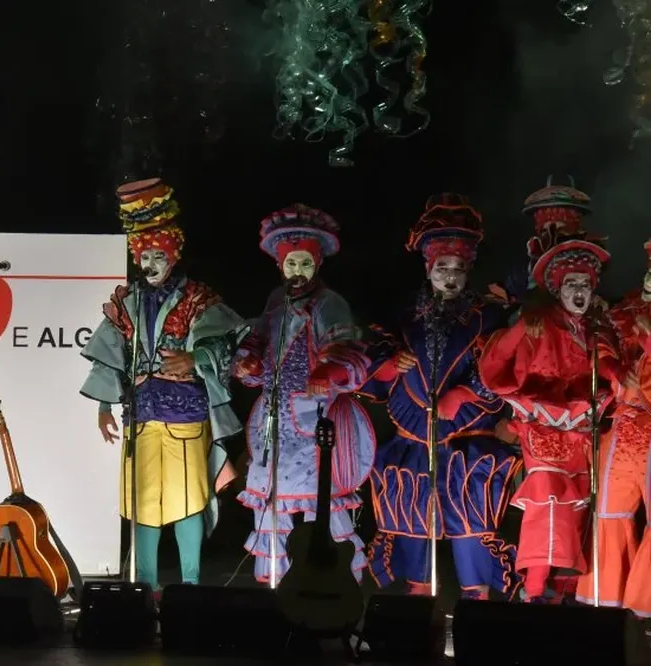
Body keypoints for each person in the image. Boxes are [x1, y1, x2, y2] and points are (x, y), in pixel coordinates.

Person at [79, 178, 247, 592]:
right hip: (141, 416)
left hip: (186, 415)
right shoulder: (128, 301)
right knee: (142, 504)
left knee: (189, 500)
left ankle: (189, 582)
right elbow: (110, 353)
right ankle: (146, 585)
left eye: (158, 255)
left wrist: (195, 358)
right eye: (145, 255)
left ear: (173, 256)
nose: (151, 263)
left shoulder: (196, 298)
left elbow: (223, 338)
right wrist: (104, 406)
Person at [361, 194, 522, 600]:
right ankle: (418, 597)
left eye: (458, 269)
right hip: (414, 436)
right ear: (428, 267)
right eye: (442, 268)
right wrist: (387, 362)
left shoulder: (487, 316)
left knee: (471, 521)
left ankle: (476, 597)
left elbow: (504, 364)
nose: (450, 277)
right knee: (412, 517)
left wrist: (467, 392)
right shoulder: (405, 314)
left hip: (465, 438)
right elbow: (374, 345)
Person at [231, 204, 375, 585]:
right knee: (274, 498)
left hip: (314, 420)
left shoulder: (329, 302)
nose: (298, 272)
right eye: (291, 264)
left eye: (305, 264)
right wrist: (249, 365)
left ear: (317, 264)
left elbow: (347, 350)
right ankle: (276, 580)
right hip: (275, 419)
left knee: (317, 501)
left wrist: (329, 371)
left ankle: (327, 581)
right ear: (281, 266)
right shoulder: (276, 301)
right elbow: (257, 346)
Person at [479, 229, 621, 604]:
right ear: (557, 289)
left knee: (576, 513)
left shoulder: (595, 328)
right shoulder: (537, 322)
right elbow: (494, 363)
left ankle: (559, 596)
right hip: (542, 430)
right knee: (548, 507)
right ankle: (535, 592)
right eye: (571, 283)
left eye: (585, 284)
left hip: (580, 431)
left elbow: (610, 369)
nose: (579, 291)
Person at [577, 239, 651, 617]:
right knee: (608, 512)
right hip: (623, 426)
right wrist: (613, 368)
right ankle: (605, 606)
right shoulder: (625, 310)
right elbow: (601, 347)